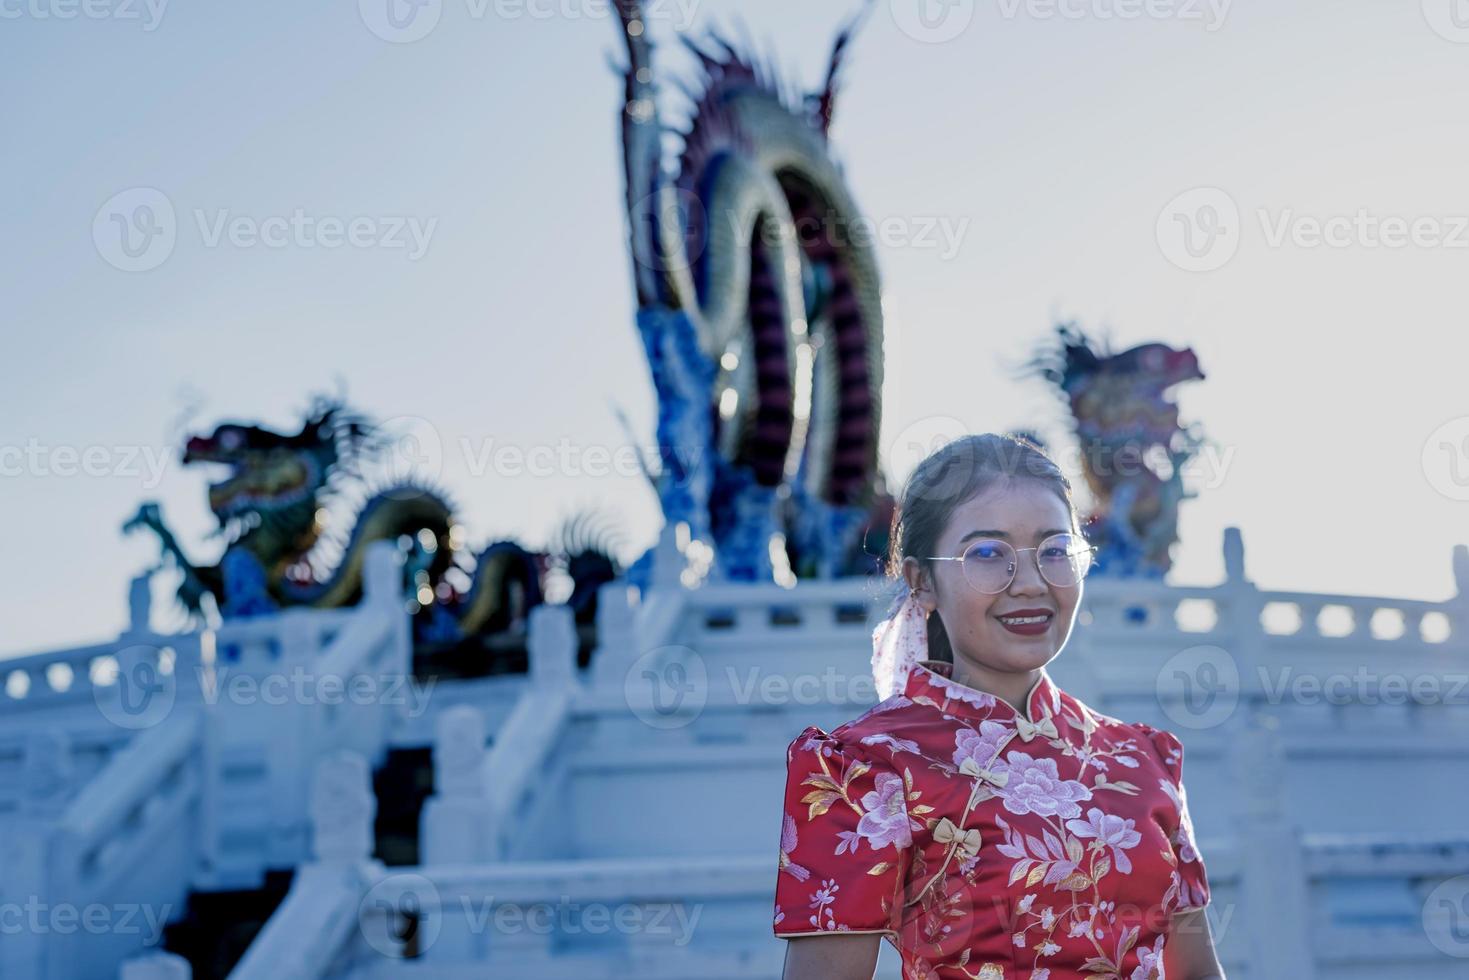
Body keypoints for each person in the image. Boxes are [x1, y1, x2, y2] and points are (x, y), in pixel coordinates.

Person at [773, 433, 1226, 980]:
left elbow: (1198, 972)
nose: (1031, 584)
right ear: (921, 581)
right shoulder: (867, 765)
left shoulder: (1143, 759)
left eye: (1055, 551)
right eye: (987, 554)